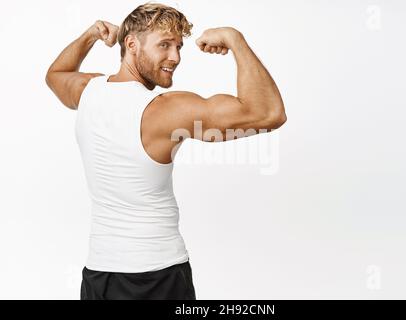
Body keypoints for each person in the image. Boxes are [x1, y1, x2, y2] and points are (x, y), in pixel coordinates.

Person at [45, 2, 287, 300]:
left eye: (178, 46)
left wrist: (92, 34)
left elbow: (56, 74)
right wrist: (235, 39)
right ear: (131, 44)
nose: (175, 57)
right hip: (156, 277)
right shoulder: (167, 110)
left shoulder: (87, 91)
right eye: (164, 45)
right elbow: (268, 113)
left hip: (98, 277)